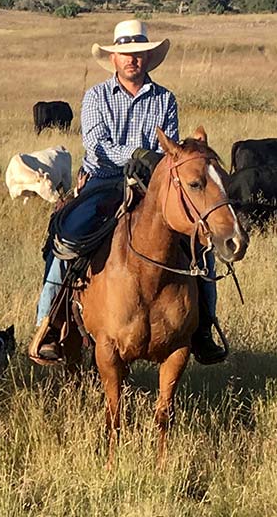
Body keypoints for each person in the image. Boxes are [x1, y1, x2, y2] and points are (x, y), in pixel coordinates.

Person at [27, 19, 226, 366]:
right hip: (104, 181)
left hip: (153, 186)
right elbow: (96, 145)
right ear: (114, 58)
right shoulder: (96, 96)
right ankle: (49, 322)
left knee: (200, 244)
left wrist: (151, 162)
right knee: (68, 238)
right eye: (126, 54)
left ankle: (203, 326)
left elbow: (171, 150)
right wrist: (135, 153)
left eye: (139, 54)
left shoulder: (165, 98)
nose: (133, 59)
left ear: (148, 59)